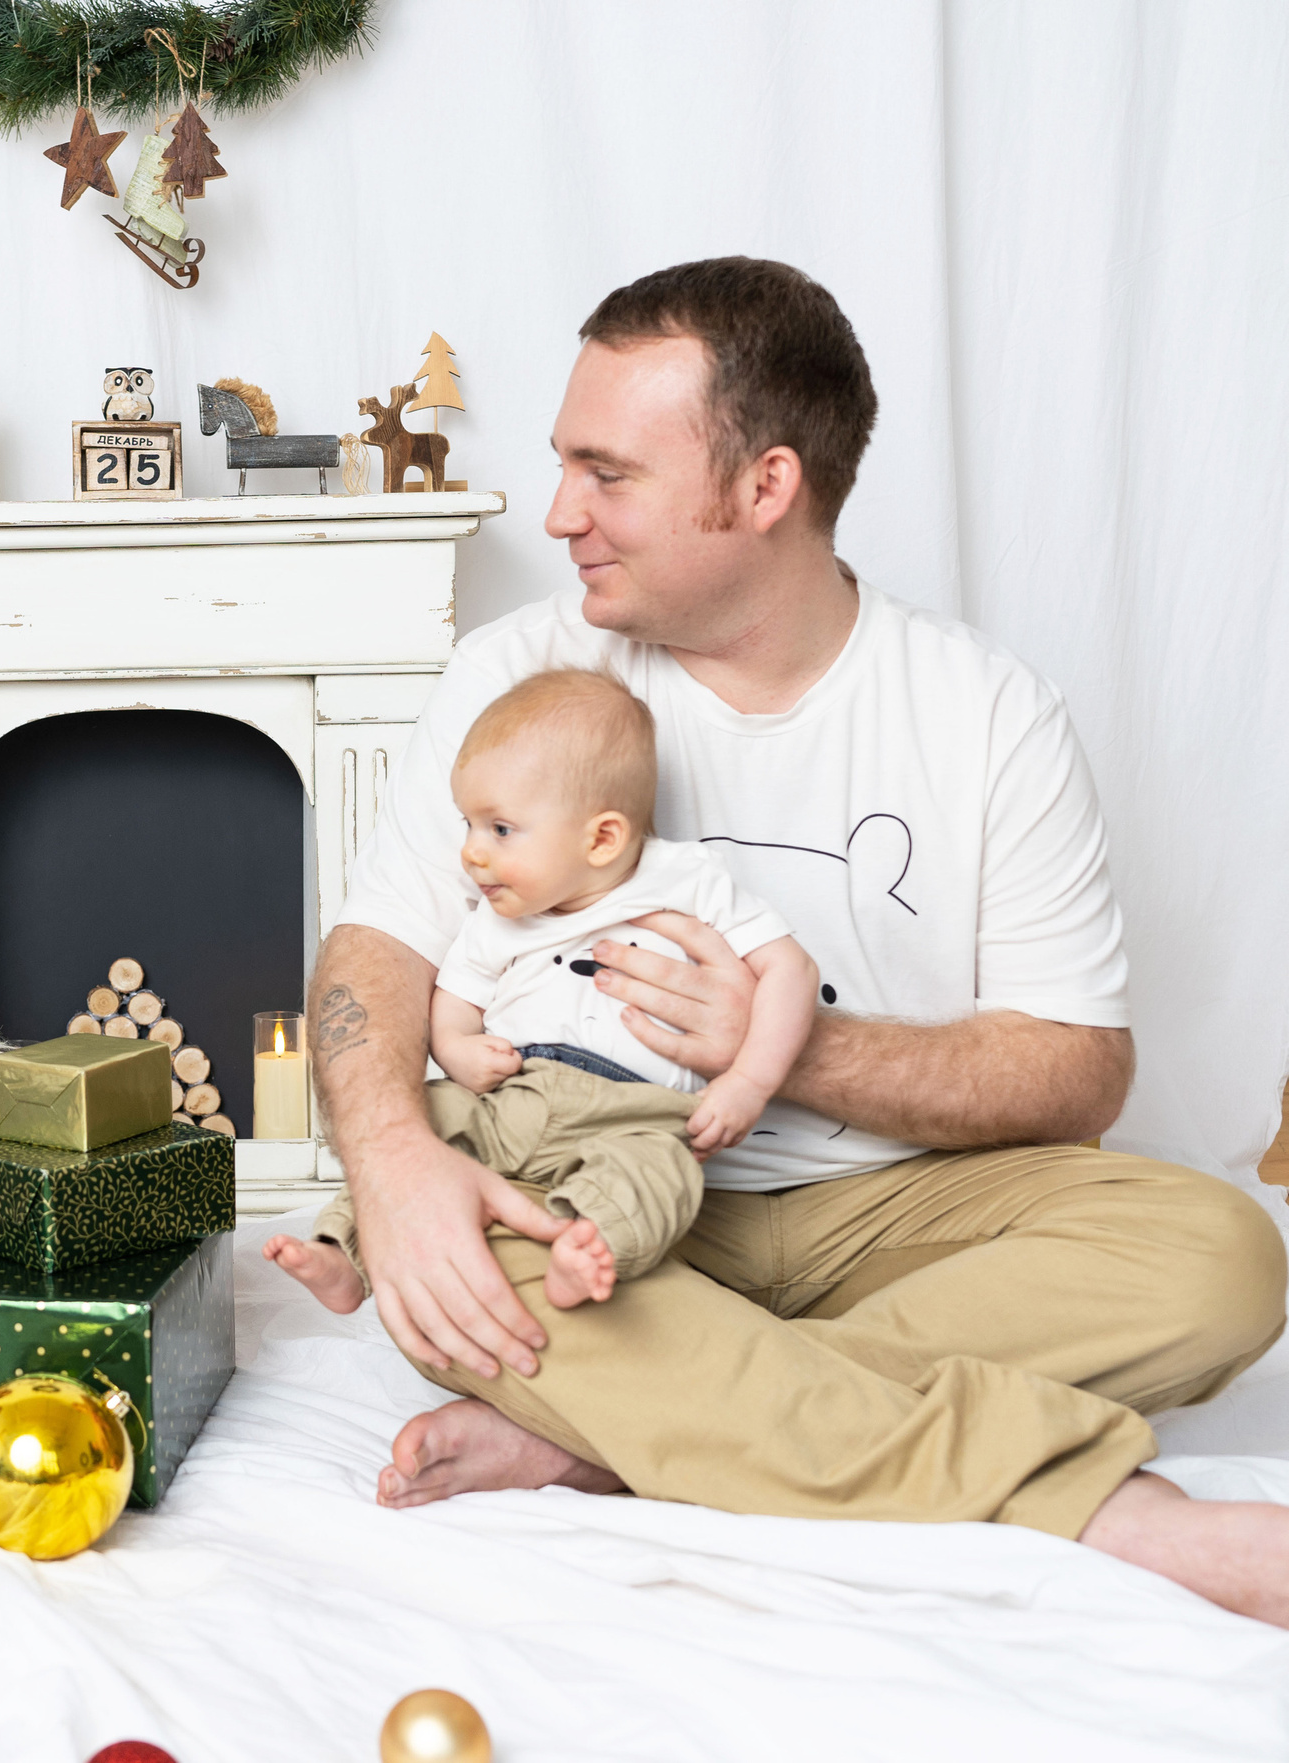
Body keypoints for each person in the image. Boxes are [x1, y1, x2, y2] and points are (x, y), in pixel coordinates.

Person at [309, 256, 1289, 1626]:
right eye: (564, 465)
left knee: (1222, 1252)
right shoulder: (518, 681)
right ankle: (1129, 1523)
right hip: (604, 1202)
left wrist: (794, 1048)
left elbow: (1078, 1075)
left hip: (892, 1214)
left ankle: (623, 1436)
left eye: (610, 474)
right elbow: (371, 967)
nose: (558, 514)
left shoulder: (986, 712)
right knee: (466, 1250)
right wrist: (397, 1158)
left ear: (765, 487)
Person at [270, 667, 816, 1311]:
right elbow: (457, 1001)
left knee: (662, 1177)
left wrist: (749, 1081)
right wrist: (460, 1050)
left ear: (602, 837)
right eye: (468, 825)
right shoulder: (499, 915)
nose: (472, 853)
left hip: (639, 1115)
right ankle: (348, 1255)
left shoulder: (687, 879)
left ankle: (586, 1253)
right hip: (514, 1099)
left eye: (499, 829)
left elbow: (790, 971)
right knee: (418, 1127)